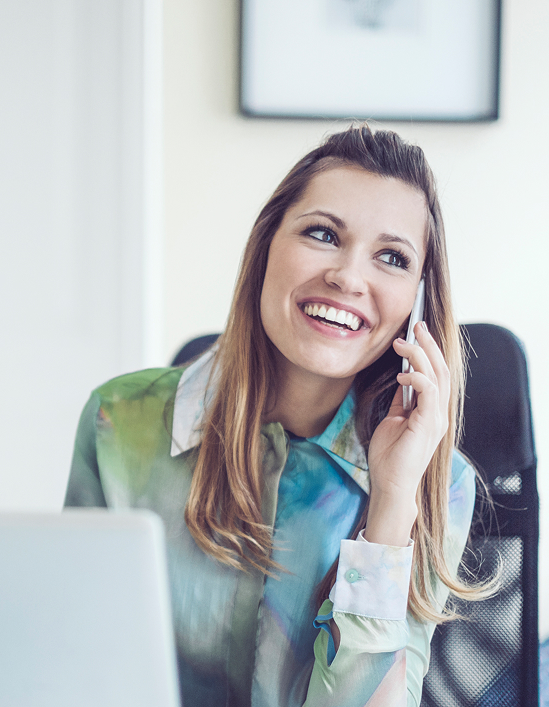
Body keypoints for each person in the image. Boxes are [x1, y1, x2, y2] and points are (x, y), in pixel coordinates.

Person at [65, 125, 485, 707]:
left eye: (391, 257)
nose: (348, 276)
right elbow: (75, 663)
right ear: (266, 247)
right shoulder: (120, 422)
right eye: (322, 233)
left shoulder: (437, 485)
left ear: (417, 300)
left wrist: (390, 510)